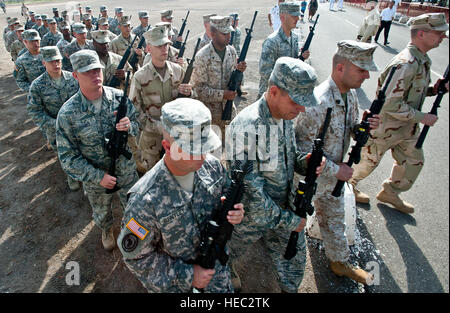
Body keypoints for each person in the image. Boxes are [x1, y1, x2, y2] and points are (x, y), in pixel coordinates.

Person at [117, 98, 245, 293]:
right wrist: (187, 275)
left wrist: (235, 212)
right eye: (194, 150)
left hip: (217, 272)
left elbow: (225, 197)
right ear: (168, 147)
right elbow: (136, 258)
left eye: (205, 146)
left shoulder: (213, 167)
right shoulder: (144, 200)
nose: (203, 155)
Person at [226, 57, 325, 293]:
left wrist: (305, 162)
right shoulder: (247, 128)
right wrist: (292, 221)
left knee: (295, 258)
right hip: (251, 215)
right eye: (296, 102)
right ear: (274, 91)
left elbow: (286, 157)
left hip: (280, 205)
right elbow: (252, 196)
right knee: (228, 250)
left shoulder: (283, 116)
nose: (301, 109)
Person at [295, 40, 380, 285]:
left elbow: (348, 128)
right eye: (361, 69)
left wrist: (362, 128)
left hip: (333, 176)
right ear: (341, 68)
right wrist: (336, 169)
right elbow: (301, 152)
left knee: (334, 219)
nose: (366, 75)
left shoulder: (349, 94)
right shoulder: (319, 102)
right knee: (292, 225)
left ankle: (340, 262)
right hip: (309, 177)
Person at [350, 13, 449, 214]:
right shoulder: (405, 63)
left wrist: (433, 89)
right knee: (365, 164)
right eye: (439, 33)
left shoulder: (421, 60)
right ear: (422, 33)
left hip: (407, 128)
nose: (443, 37)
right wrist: (423, 118)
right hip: (385, 127)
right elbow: (390, 104)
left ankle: (390, 191)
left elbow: (410, 93)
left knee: (414, 161)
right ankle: (348, 186)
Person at [56, 50, 139, 251]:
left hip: (125, 170)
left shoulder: (119, 97)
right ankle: (107, 229)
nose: (95, 75)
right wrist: (97, 176)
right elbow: (68, 159)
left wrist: (130, 126)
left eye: (97, 70)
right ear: (75, 75)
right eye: (88, 72)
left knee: (134, 205)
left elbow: (137, 124)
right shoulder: (68, 114)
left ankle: (134, 233)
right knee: (102, 210)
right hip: (96, 177)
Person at [129, 26, 193, 173]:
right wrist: (161, 127)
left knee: (177, 176)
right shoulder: (140, 77)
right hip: (152, 143)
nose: (165, 49)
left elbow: (190, 103)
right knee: (152, 179)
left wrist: (190, 93)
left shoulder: (177, 71)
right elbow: (134, 113)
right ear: (149, 48)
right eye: (159, 46)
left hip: (177, 139)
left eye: (166, 45)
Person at [27, 46, 80, 190]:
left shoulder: (73, 78)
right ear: (44, 62)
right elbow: (35, 111)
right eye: (51, 61)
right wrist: (55, 124)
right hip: (55, 129)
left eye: (58, 61)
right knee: (64, 154)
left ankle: (84, 176)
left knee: (81, 150)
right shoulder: (37, 86)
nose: (56, 64)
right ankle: (71, 176)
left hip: (76, 125)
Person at [190, 15, 247, 143]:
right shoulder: (202, 56)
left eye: (229, 33)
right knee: (211, 154)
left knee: (233, 150)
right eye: (224, 33)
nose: (229, 36)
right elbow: (198, 90)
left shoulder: (231, 52)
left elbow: (233, 81)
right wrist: (223, 95)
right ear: (213, 33)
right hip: (210, 117)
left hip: (229, 112)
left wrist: (239, 72)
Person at [258, 1, 310, 99]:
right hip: (270, 96)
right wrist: (286, 81)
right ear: (282, 17)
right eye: (294, 16)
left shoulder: (294, 37)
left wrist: (301, 57)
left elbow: (293, 62)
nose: (297, 19)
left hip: (286, 95)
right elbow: (264, 70)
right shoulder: (272, 41)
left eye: (298, 16)